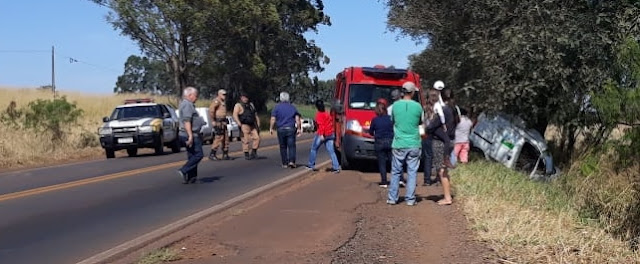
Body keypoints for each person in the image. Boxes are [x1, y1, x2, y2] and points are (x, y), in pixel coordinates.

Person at [387, 81, 423, 206]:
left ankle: (392, 198)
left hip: (399, 143)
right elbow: (420, 122)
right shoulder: (418, 107)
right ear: (413, 92)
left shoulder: (395, 106)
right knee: (412, 172)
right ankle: (410, 199)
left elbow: (393, 121)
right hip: (414, 143)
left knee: (396, 171)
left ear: (403, 92)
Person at [177, 87, 205, 184]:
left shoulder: (188, 105)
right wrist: (190, 136)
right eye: (195, 96)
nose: (196, 98)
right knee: (198, 154)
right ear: (189, 95)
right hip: (190, 134)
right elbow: (187, 121)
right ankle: (184, 170)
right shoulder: (187, 105)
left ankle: (191, 177)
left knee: (192, 155)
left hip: (192, 133)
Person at [306, 100, 340, 173]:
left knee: (314, 149)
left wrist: (321, 135)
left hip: (323, 134)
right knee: (331, 151)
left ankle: (311, 165)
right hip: (330, 134)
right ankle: (336, 167)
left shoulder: (319, 115)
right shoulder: (327, 114)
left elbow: (321, 126)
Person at [270, 92, 302, 168]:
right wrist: (299, 128)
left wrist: (271, 128)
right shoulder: (292, 107)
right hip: (290, 128)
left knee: (283, 146)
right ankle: (292, 161)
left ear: (280, 98)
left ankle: (284, 163)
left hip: (280, 129)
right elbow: (297, 119)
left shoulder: (276, 108)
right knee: (291, 146)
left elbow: (273, 119)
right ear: (288, 98)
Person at [370, 100, 394, 187]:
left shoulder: (375, 120)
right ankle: (396, 179)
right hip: (390, 141)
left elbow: (371, 132)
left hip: (379, 142)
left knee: (382, 163)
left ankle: (384, 181)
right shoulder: (391, 118)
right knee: (392, 162)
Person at [233, 91, 261, 160]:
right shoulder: (238, 105)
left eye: (246, 97)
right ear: (241, 98)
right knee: (245, 140)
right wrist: (238, 122)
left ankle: (254, 152)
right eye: (244, 97)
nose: (245, 99)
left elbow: (255, 115)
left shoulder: (251, 105)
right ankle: (246, 153)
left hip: (252, 125)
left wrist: (258, 123)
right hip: (244, 125)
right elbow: (235, 114)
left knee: (257, 138)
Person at [208, 89, 230, 161]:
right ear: (219, 94)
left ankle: (225, 153)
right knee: (219, 137)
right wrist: (213, 120)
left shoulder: (223, 102)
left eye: (225, 94)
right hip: (218, 122)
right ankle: (212, 153)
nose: (225, 96)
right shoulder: (216, 101)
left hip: (223, 122)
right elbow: (211, 110)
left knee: (226, 138)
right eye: (223, 94)